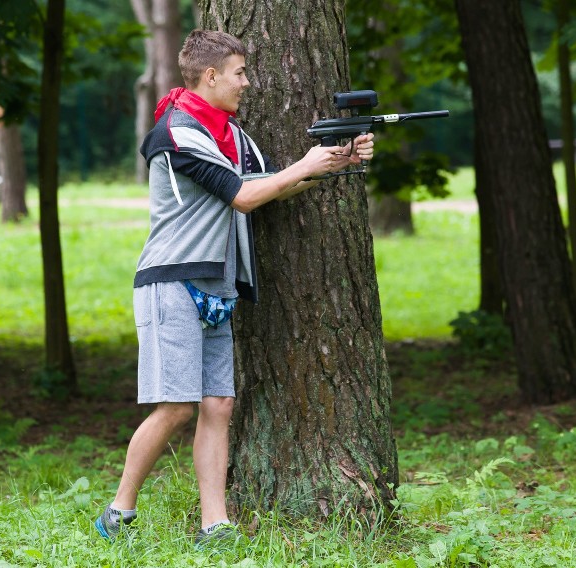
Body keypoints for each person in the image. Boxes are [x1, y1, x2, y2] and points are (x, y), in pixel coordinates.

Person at [95, 29, 374, 549]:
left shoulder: (230, 134)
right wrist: (308, 162)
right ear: (211, 76)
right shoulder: (178, 133)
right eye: (241, 73)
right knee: (176, 407)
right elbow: (243, 197)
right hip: (172, 281)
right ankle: (118, 511)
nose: (248, 82)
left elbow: (273, 184)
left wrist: (338, 160)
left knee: (218, 406)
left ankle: (214, 525)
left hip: (216, 287)